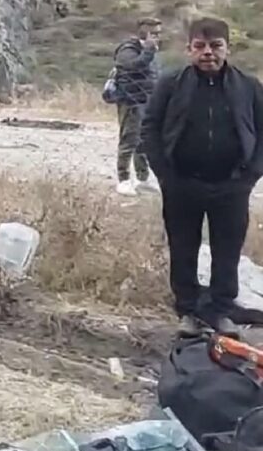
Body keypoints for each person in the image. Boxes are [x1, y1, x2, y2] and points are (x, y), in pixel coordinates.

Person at [141, 17, 263, 337]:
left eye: (215, 46)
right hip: (182, 183)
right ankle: (189, 312)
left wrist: (249, 176)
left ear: (227, 48)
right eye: (200, 46)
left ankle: (221, 311)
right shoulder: (170, 84)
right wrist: (166, 175)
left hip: (231, 185)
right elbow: (150, 128)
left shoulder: (249, 86)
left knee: (227, 251)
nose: (208, 52)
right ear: (189, 49)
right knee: (183, 249)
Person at [112, 17, 163, 196]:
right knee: (129, 140)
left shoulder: (150, 51)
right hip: (130, 102)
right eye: (154, 33)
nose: (157, 37)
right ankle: (123, 180)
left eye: (159, 33)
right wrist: (148, 51)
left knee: (143, 142)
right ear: (143, 32)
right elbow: (132, 67)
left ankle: (143, 179)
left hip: (147, 101)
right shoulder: (127, 49)